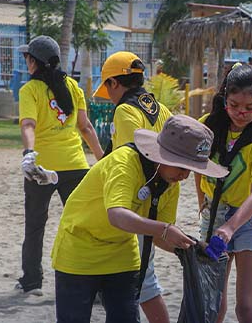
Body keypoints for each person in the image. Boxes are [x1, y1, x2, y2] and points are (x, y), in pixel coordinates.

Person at [51, 115, 228, 323]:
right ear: (164, 155)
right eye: (182, 167)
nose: (185, 176)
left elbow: (159, 236)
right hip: (79, 252)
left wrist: (192, 249)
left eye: (190, 169)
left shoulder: (171, 184)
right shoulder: (124, 163)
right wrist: (164, 228)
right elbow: (117, 215)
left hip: (122, 255)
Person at [16, 35, 104, 296]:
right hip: (76, 166)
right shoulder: (73, 86)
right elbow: (85, 127)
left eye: (27, 58)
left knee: (34, 226)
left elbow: (28, 124)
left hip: (42, 169)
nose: (25, 62)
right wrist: (102, 158)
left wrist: (30, 152)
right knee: (84, 227)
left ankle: (32, 282)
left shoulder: (29, 90)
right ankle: (96, 284)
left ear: (34, 62)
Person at [92, 51, 173, 322]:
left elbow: (127, 162)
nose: (109, 95)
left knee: (143, 280)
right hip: (159, 199)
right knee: (142, 278)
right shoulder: (162, 109)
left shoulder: (126, 110)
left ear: (115, 83)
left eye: (108, 87)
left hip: (135, 205)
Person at [196, 64, 252, 323]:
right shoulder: (207, 127)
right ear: (224, 98)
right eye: (234, 105)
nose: (241, 113)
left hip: (250, 220)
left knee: (247, 308)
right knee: (213, 302)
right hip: (214, 214)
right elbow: (195, 165)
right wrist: (203, 203)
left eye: (250, 107)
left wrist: (230, 227)